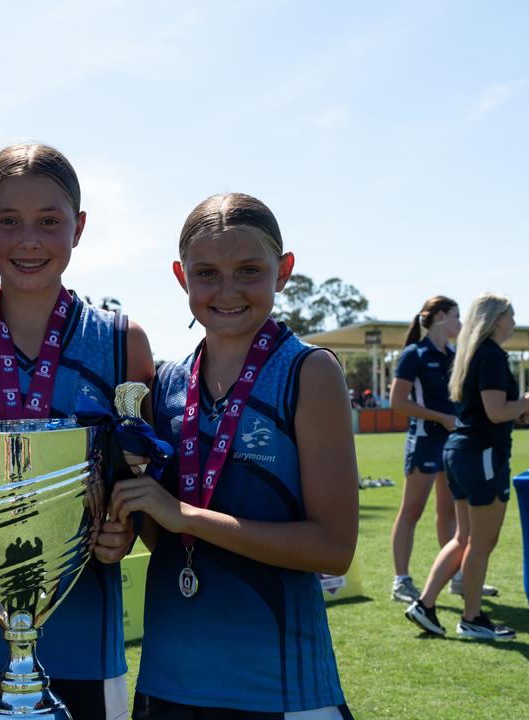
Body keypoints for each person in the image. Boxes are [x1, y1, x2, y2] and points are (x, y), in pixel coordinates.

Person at [0, 143, 155, 720]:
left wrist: (127, 530)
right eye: (8, 221)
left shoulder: (123, 342)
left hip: (81, 633)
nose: (29, 240)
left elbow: (142, 474)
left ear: (80, 227)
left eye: (50, 221)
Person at [109, 194, 358, 717]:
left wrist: (185, 515)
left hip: (278, 685)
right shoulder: (168, 383)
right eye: (206, 273)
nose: (226, 291)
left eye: (248, 270)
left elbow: (334, 548)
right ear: (181, 276)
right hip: (168, 680)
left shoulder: (309, 373)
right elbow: (163, 536)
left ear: (283, 271)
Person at [406, 293, 529, 641]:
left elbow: (496, 409)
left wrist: (521, 407)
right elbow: (495, 412)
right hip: (481, 454)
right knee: (482, 541)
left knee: (464, 537)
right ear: (496, 318)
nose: (515, 321)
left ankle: (425, 605)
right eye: (511, 315)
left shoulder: (475, 354)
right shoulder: (491, 355)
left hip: (462, 451)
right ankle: (471, 618)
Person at [387, 296, 461, 603]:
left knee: (449, 513)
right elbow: (398, 402)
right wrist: (442, 418)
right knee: (411, 511)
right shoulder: (414, 354)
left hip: (452, 443)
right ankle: (401, 582)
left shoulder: (455, 354)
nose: (461, 323)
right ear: (440, 316)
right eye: (457, 316)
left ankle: (457, 577)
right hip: (423, 441)